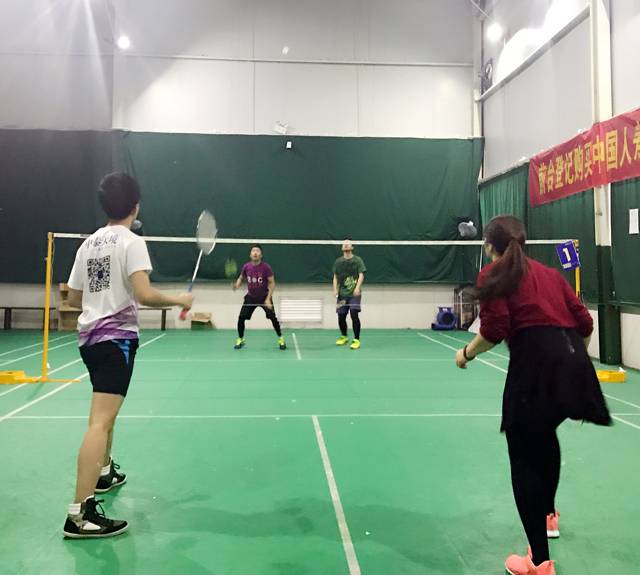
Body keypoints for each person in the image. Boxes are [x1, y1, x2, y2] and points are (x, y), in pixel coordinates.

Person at [454, 216, 611, 575]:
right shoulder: (550, 274)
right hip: (572, 361)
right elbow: (585, 324)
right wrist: (570, 363)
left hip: (534, 368)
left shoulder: (493, 275)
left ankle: (539, 562)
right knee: (545, 434)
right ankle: (549, 516)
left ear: (488, 246)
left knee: (523, 458)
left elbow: (495, 330)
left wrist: (465, 354)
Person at [63, 173, 193, 538]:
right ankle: (79, 514)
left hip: (89, 340)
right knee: (100, 422)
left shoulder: (89, 243)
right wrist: (179, 299)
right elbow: (144, 294)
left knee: (106, 415)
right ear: (135, 207)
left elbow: (73, 298)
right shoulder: (131, 242)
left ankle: (103, 472)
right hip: (115, 341)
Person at [233, 244, 286, 350]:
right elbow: (241, 278)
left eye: (257, 251)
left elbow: (272, 283)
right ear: (250, 254)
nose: (255, 253)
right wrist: (237, 284)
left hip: (264, 297)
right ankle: (240, 339)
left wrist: (268, 298)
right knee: (241, 318)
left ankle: (281, 338)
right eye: (253, 251)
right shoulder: (246, 266)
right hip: (251, 297)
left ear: (261, 255)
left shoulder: (266, 268)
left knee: (273, 318)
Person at [333, 239, 366, 349]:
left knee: (354, 313)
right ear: (342, 248)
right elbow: (335, 277)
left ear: (351, 248)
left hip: (354, 295)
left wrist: (357, 288)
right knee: (341, 316)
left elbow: (361, 275)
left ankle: (356, 339)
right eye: (344, 245)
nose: (346, 246)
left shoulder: (358, 260)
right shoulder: (338, 262)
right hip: (342, 295)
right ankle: (344, 336)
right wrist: (335, 289)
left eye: (348, 245)